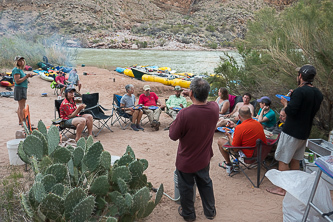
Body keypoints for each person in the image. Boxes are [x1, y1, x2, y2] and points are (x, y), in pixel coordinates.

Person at [267, 65, 323, 196]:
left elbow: (292, 112)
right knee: (295, 160)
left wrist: (286, 104)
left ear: (301, 76)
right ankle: (293, 187)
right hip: (304, 132)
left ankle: (282, 189)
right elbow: (305, 109)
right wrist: (293, 98)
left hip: (291, 131)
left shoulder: (300, 92)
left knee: (283, 159)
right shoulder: (318, 93)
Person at [169, 78, 218, 221]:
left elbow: (173, 135)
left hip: (186, 161)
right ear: (207, 93)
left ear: (191, 93)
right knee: (205, 183)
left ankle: (189, 215)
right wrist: (192, 95)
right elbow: (204, 105)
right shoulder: (214, 108)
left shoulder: (185, 113)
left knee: (186, 187)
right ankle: (210, 212)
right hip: (204, 158)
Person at [217, 106, 267, 172]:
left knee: (220, 141)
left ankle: (228, 164)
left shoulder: (240, 128)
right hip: (260, 153)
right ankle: (234, 162)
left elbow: (235, 149)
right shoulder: (258, 124)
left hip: (248, 157)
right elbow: (247, 129)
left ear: (239, 116)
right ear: (251, 114)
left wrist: (229, 135)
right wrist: (235, 125)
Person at [12, 56, 33, 126]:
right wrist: (26, 76)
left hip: (22, 88)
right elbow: (17, 81)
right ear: (16, 62)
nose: (22, 62)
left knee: (20, 106)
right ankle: (23, 122)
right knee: (22, 107)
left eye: (22, 60)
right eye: (20, 61)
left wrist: (27, 76)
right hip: (20, 88)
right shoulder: (16, 70)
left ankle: (20, 121)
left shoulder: (19, 70)